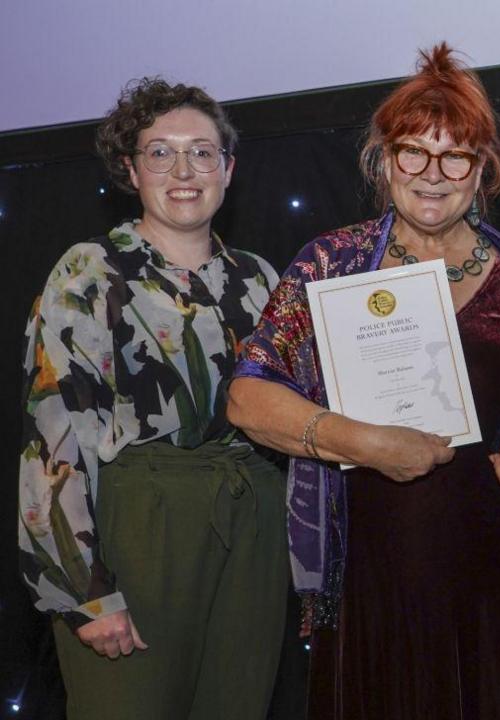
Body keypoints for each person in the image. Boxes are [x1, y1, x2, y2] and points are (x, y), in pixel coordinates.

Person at [226, 44, 500, 720]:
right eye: (413, 151)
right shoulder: (331, 264)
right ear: (383, 158)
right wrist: (362, 441)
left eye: (455, 154)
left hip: (496, 587)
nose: (433, 174)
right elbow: (247, 397)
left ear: (482, 168)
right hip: (374, 579)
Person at [17, 79, 287, 719]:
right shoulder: (90, 271)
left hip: (253, 526)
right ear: (131, 170)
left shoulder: (262, 278)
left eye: (202, 152)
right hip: (138, 531)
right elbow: (50, 435)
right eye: (160, 153)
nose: (184, 170)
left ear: (229, 168)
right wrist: (83, 589)